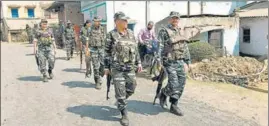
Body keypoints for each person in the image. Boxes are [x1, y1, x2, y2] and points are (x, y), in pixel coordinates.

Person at [157, 11, 201, 116]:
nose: (175, 20)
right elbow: (160, 46)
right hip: (169, 61)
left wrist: (188, 61)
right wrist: (159, 60)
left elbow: (185, 47)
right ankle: (163, 93)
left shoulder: (181, 31)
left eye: (177, 18)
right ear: (170, 19)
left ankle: (174, 105)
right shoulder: (164, 31)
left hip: (180, 61)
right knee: (173, 84)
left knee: (181, 83)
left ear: (179, 19)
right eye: (173, 18)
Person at [104, 12, 142, 126]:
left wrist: (139, 62)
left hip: (130, 68)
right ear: (116, 22)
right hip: (117, 68)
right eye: (123, 20)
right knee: (120, 92)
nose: (126, 22)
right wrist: (106, 67)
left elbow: (136, 49)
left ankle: (121, 100)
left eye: (126, 20)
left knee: (131, 87)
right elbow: (106, 52)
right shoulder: (111, 35)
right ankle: (124, 113)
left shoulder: (131, 33)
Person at [86, 16, 105, 89]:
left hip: (101, 49)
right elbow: (87, 39)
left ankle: (100, 75)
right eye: (97, 21)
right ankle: (97, 81)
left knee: (103, 65)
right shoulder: (90, 29)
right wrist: (87, 49)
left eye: (99, 21)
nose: (98, 22)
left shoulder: (102, 28)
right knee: (96, 66)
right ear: (94, 21)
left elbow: (104, 38)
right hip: (93, 49)